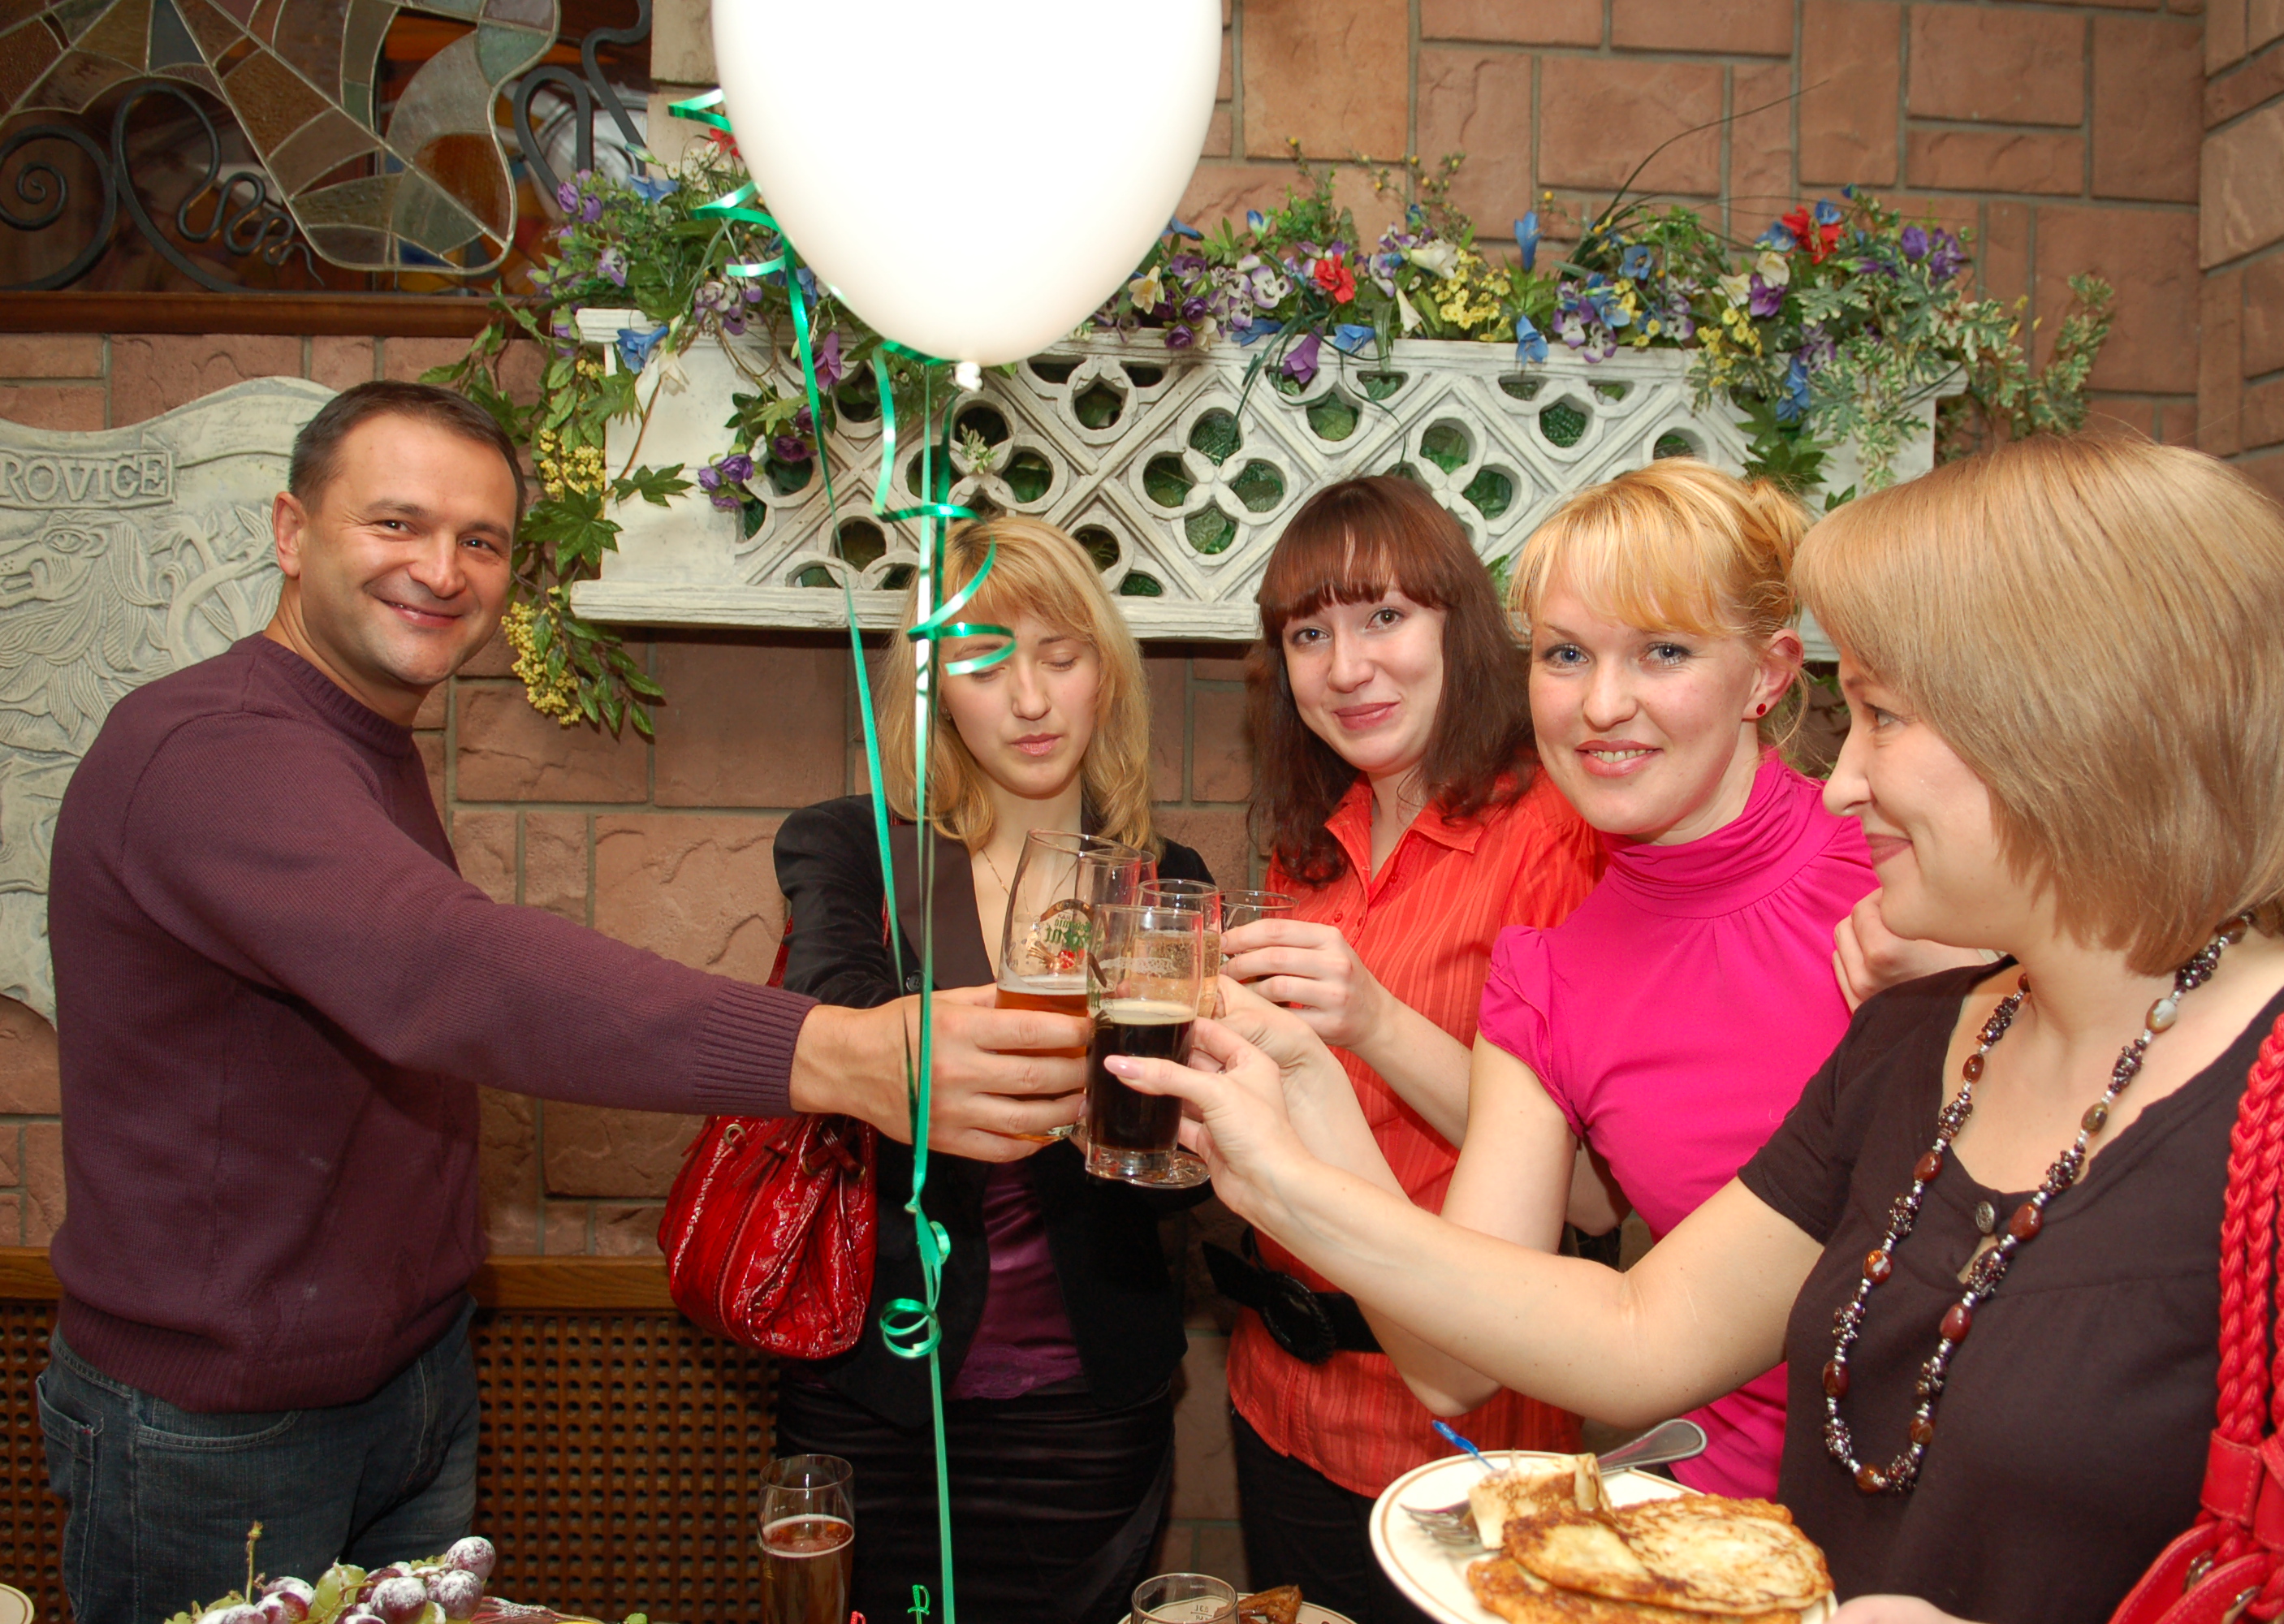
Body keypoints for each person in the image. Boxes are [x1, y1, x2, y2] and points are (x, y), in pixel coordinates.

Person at [1114, 434, 2284, 1624]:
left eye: (1885, 716)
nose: (1845, 778)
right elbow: (1613, 1336)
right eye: (1564, 655)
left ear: (2073, 732)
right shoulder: (1901, 1034)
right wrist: (1295, 1123)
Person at [37, 383, 1090, 1624]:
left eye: (480, 540)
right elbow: (444, 970)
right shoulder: (211, 747)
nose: (441, 569)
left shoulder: (355, 745)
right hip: (216, 1431)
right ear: (290, 531)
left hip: (409, 1383)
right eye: (395, 523)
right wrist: (840, 1053)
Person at [1366, 460, 1876, 1501]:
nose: (1600, 705)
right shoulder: (1545, 975)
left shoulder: (1899, 873)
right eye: (1564, 654)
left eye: (1663, 651)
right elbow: (1453, 1364)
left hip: (1965, 1512)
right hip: (1724, 1524)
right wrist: (1304, 1102)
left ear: (1767, 673)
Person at [767, 516, 1211, 1624]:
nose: (1028, 699)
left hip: (1088, 1406)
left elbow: (1176, 1179)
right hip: (878, 1393)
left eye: (1060, 657)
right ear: (933, 692)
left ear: (1105, 673)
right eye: (983, 663)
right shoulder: (854, 847)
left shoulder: (1165, 878)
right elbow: (834, 1036)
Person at [1210, 475, 1606, 1623]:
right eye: (1309, 634)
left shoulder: (1557, 839)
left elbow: (1592, 1191)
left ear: (1459, 629)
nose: (1347, 667)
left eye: (1385, 616)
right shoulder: (1310, 847)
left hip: (1464, 1444)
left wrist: (1380, 1020)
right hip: (1278, 1395)